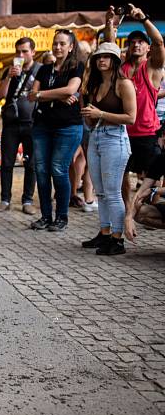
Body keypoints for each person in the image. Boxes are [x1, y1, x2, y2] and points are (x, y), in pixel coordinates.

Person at [77, 42, 137, 255]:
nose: (101, 60)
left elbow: (131, 117)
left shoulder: (124, 83)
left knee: (112, 192)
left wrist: (100, 114)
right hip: (96, 136)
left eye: (106, 57)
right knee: (100, 192)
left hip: (115, 138)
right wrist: (89, 114)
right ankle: (104, 233)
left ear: (114, 60)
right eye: (98, 57)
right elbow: (91, 117)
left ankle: (117, 239)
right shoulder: (94, 84)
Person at [104, 5, 164, 210]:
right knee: (122, 174)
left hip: (148, 132)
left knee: (154, 175)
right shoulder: (122, 68)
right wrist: (109, 22)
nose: (136, 46)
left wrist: (143, 18)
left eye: (141, 43)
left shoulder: (153, 67)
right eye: (133, 43)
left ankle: (150, 207)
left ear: (148, 48)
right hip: (124, 131)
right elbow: (109, 45)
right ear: (128, 47)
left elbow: (159, 41)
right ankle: (128, 208)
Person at [27, 30, 85, 231]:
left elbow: (71, 90)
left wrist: (45, 94)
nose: (57, 47)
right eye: (55, 43)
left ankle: (62, 217)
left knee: (58, 169)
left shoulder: (77, 67)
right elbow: (31, 95)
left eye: (62, 44)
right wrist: (57, 96)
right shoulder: (44, 69)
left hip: (68, 126)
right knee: (42, 171)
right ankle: (45, 216)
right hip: (42, 126)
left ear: (70, 47)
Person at [0, 37, 40, 214]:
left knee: (31, 163)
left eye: (25, 51)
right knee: (6, 163)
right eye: (18, 52)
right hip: (11, 123)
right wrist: (8, 78)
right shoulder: (9, 71)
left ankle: (27, 201)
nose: (21, 55)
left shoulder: (40, 70)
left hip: (32, 123)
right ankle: (5, 200)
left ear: (33, 52)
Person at [125, 128, 165, 239]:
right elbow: (141, 190)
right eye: (163, 136)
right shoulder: (161, 159)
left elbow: (150, 190)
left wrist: (155, 190)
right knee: (139, 212)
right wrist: (129, 217)